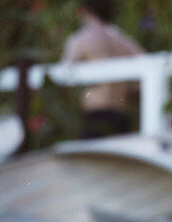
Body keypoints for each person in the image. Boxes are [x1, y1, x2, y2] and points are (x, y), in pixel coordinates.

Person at [61, 0, 143, 139]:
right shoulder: (122, 40)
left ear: (83, 10)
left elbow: (61, 76)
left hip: (95, 116)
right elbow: (147, 66)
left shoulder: (81, 39)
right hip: (122, 116)